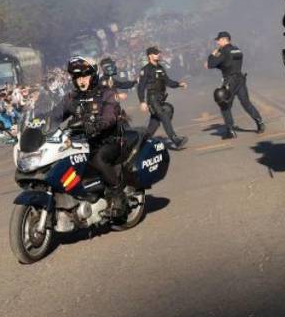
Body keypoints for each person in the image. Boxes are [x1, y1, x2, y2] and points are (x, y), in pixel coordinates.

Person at [56, 57, 129, 218]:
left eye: (85, 76)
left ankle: (118, 194)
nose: (81, 80)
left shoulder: (106, 93)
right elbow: (55, 115)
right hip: (82, 143)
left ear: (93, 75)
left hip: (109, 141)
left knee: (98, 159)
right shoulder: (71, 98)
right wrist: (37, 121)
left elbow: (110, 116)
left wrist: (97, 124)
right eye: (77, 77)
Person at [206, 32, 265, 139]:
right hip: (240, 79)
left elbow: (210, 64)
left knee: (225, 105)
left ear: (225, 39)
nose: (217, 42)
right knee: (246, 103)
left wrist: (212, 55)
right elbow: (228, 64)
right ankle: (259, 122)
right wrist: (219, 64)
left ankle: (230, 131)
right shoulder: (237, 49)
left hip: (230, 81)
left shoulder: (223, 51)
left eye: (218, 40)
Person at [136, 46, 188, 150]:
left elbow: (167, 81)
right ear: (150, 56)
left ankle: (139, 144)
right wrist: (142, 101)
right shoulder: (146, 69)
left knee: (153, 125)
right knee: (164, 115)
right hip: (152, 99)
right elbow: (141, 86)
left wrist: (179, 84)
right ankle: (175, 140)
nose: (158, 54)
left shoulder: (160, 67)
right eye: (155, 53)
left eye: (158, 53)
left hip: (160, 98)